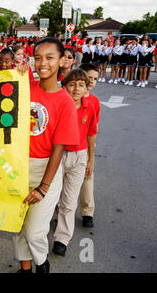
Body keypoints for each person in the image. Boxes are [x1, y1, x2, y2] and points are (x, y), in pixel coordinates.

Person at [13, 37, 79, 274]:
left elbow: (58, 149)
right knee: (18, 225)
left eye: (50, 58)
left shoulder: (65, 102)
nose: (43, 63)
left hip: (46, 171)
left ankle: (42, 264)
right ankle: (25, 267)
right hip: (17, 167)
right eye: (37, 57)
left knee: (35, 232)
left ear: (62, 61)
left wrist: (43, 186)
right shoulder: (25, 87)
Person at [52, 69, 98, 256]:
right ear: (64, 86)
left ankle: (62, 238)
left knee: (69, 201)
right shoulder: (58, 105)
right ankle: (45, 223)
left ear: (87, 88)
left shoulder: (90, 107)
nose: (76, 89)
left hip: (79, 157)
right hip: (57, 155)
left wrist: (90, 159)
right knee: (52, 196)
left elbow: (91, 133)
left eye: (81, 85)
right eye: (72, 84)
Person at [78, 63, 100, 228]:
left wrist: (91, 158)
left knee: (87, 177)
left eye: (95, 79)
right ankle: (58, 211)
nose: (92, 82)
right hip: (64, 148)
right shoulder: (70, 94)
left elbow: (92, 132)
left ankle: (87, 212)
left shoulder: (94, 101)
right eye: (89, 77)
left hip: (84, 147)